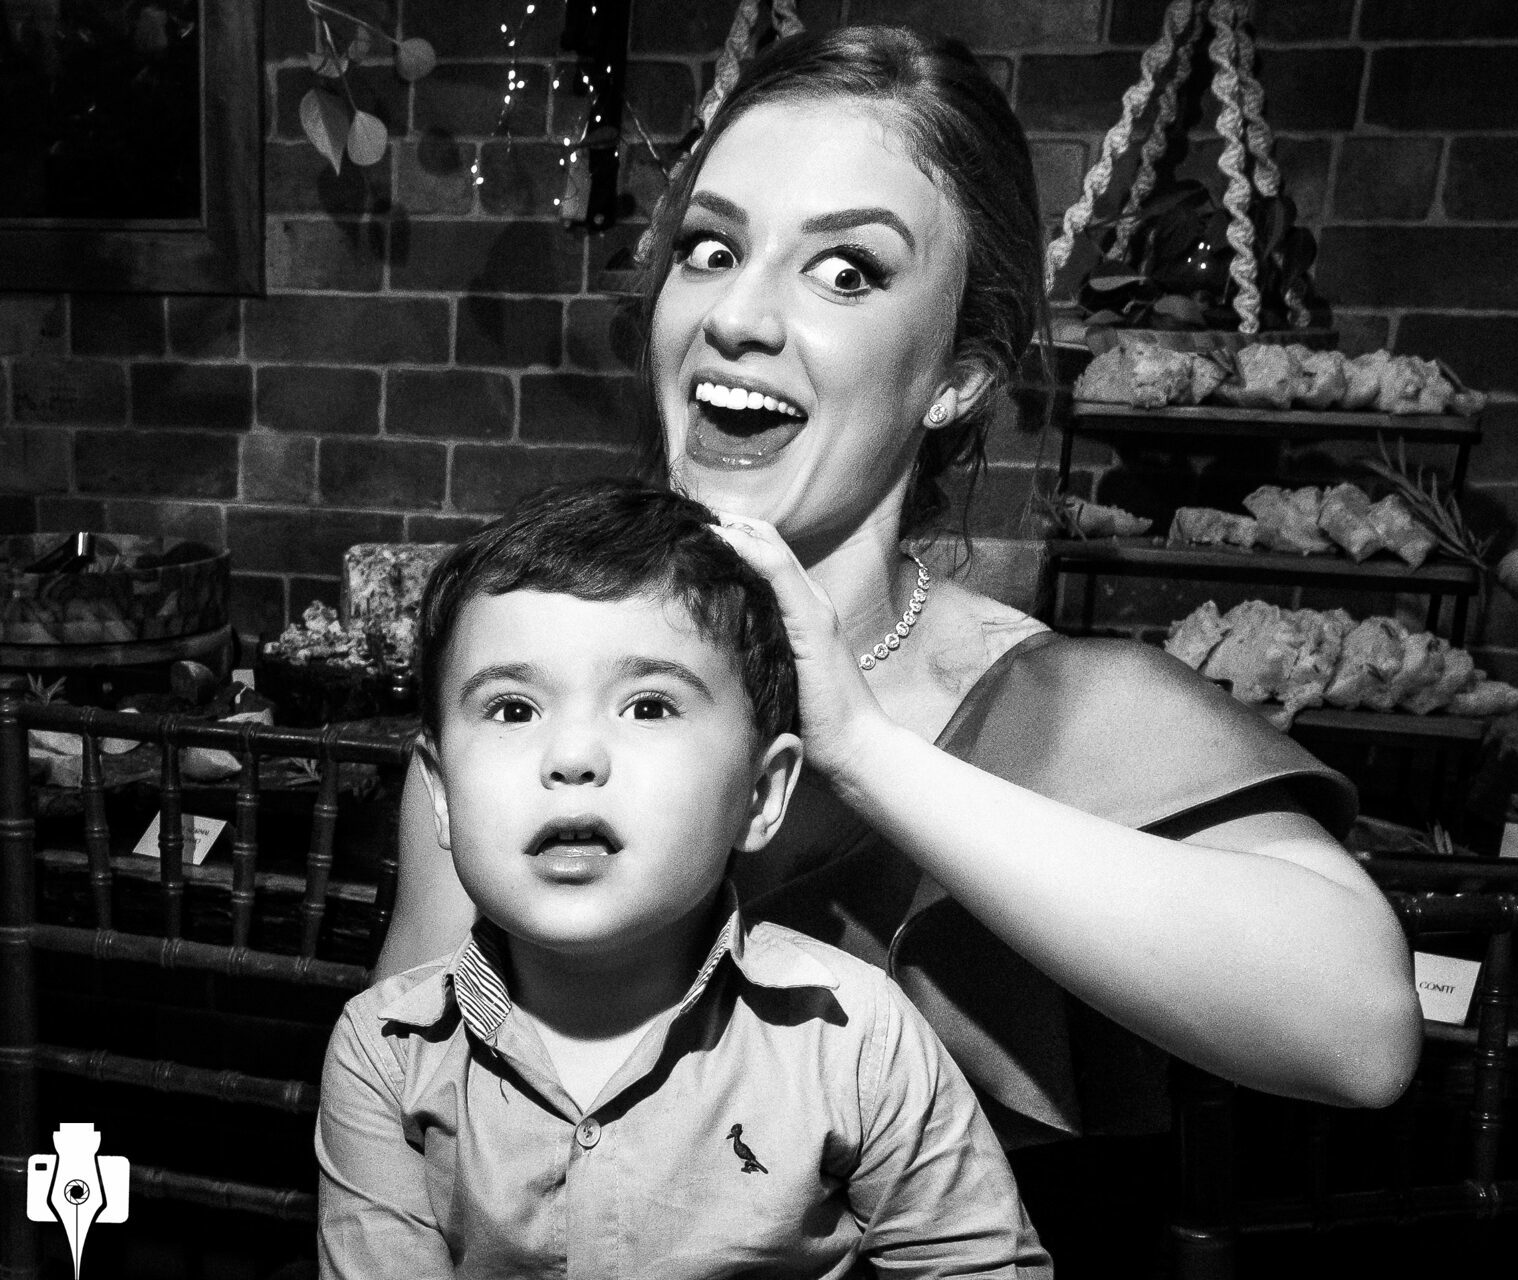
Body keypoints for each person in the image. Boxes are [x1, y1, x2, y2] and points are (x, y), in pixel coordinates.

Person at [375, 21, 1422, 1259]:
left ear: (959, 376)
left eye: (846, 271)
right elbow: (409, 1129)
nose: (737, 315)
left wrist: (868, 752)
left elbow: (1361, 1034)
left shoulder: (1069, 712)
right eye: (712, 249)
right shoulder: (530, 696)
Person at [318, 481, 1051, 1278]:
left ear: (761, 794)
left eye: (649, 707)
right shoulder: (386, 1052)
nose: (572, 757)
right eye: (513, 710)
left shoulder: (855, 1039)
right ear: (440, 794)